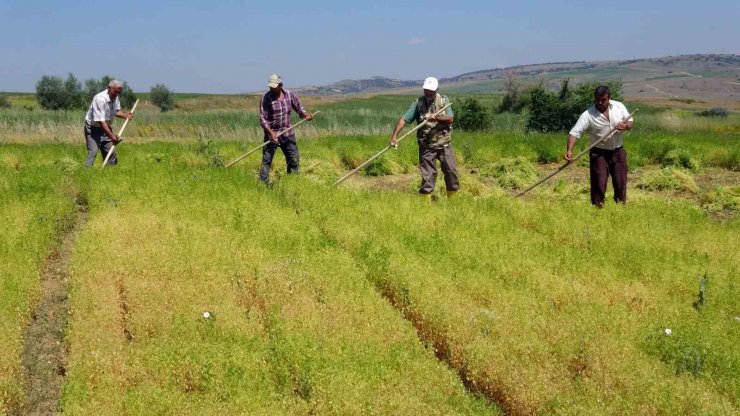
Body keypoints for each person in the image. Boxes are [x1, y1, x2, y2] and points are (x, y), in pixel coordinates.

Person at [389, 77, 459, 199]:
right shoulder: (418, 104)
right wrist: (394, 137)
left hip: (444, 145)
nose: (428, 93)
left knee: (451, 172)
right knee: (428, 176)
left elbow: (450, 118)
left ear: (437, 90)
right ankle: (426, 206)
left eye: (431, 91)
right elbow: (403, 120)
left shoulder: (443, 100)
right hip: (426, 147)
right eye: (426, 90)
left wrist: (436, 118)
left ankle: (453, 202)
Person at [565, 85, 634, 207]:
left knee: (620, 182)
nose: (600, 102)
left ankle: (620, 207)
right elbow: (574, 133)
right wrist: (569, 150)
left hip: (618, 152)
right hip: (599, 153)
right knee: (599, 183)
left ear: (609, 98)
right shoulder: (588, 115)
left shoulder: (618, 106)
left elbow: (630, 120)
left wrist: (626, 126)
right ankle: (598, 209)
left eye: (603, 99)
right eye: (597, 99)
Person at [258, 74, 313, 182]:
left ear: (280, 85)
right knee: (267, 160)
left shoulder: (289, 94)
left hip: (288, 133)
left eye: (274, 86)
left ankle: (291, 182)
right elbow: (263, 118)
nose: (272, 88)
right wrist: (270, 133)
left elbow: (299, 109)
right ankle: (262, 184)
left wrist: (306, 115)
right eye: (270, 86)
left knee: (293, 159)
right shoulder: (265, 98)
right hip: (272, 134)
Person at [83, 80, 133, 166]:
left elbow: (116, 112)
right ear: (109, 88)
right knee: (93, 152)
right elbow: (100, 121)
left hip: (106, 127)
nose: (117, 94)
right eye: (115, 91)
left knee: (111, 152)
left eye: (119, 92)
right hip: (93, 128)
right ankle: (85, 172)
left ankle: (111, 173)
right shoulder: (100, 99)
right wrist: (112, 136)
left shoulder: (115, 97)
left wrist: (125, 115)